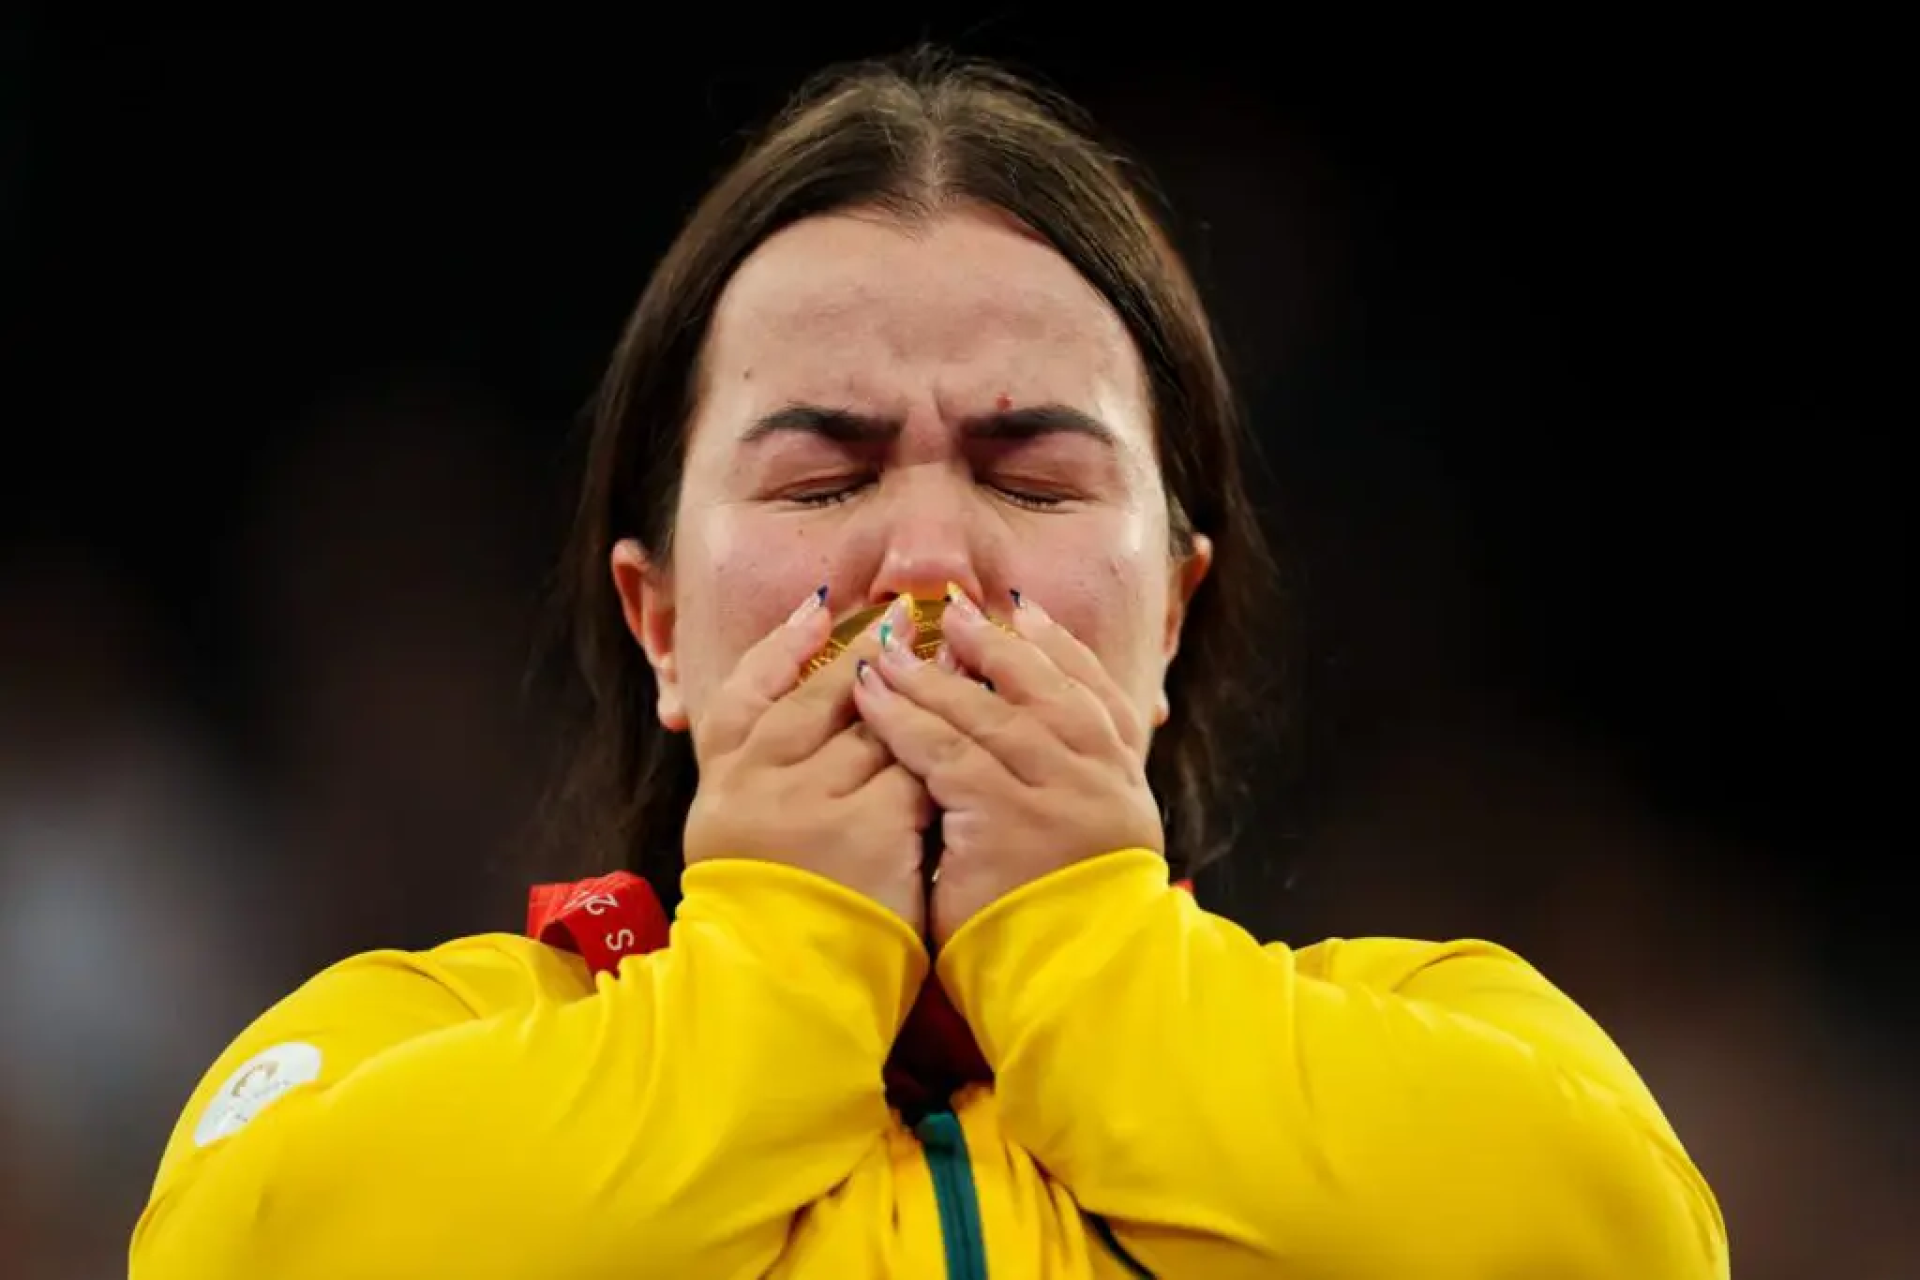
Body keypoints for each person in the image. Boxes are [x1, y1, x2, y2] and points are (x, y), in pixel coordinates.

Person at [130, 49, 1729, 1280]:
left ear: (1169, 615)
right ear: (661, 622)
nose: (928, 564)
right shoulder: (409, 1054)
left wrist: (1082, 948)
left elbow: (1628, 1238)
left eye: (1032, 479)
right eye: (824, 477)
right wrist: (781, 966)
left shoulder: (1442, 1047)